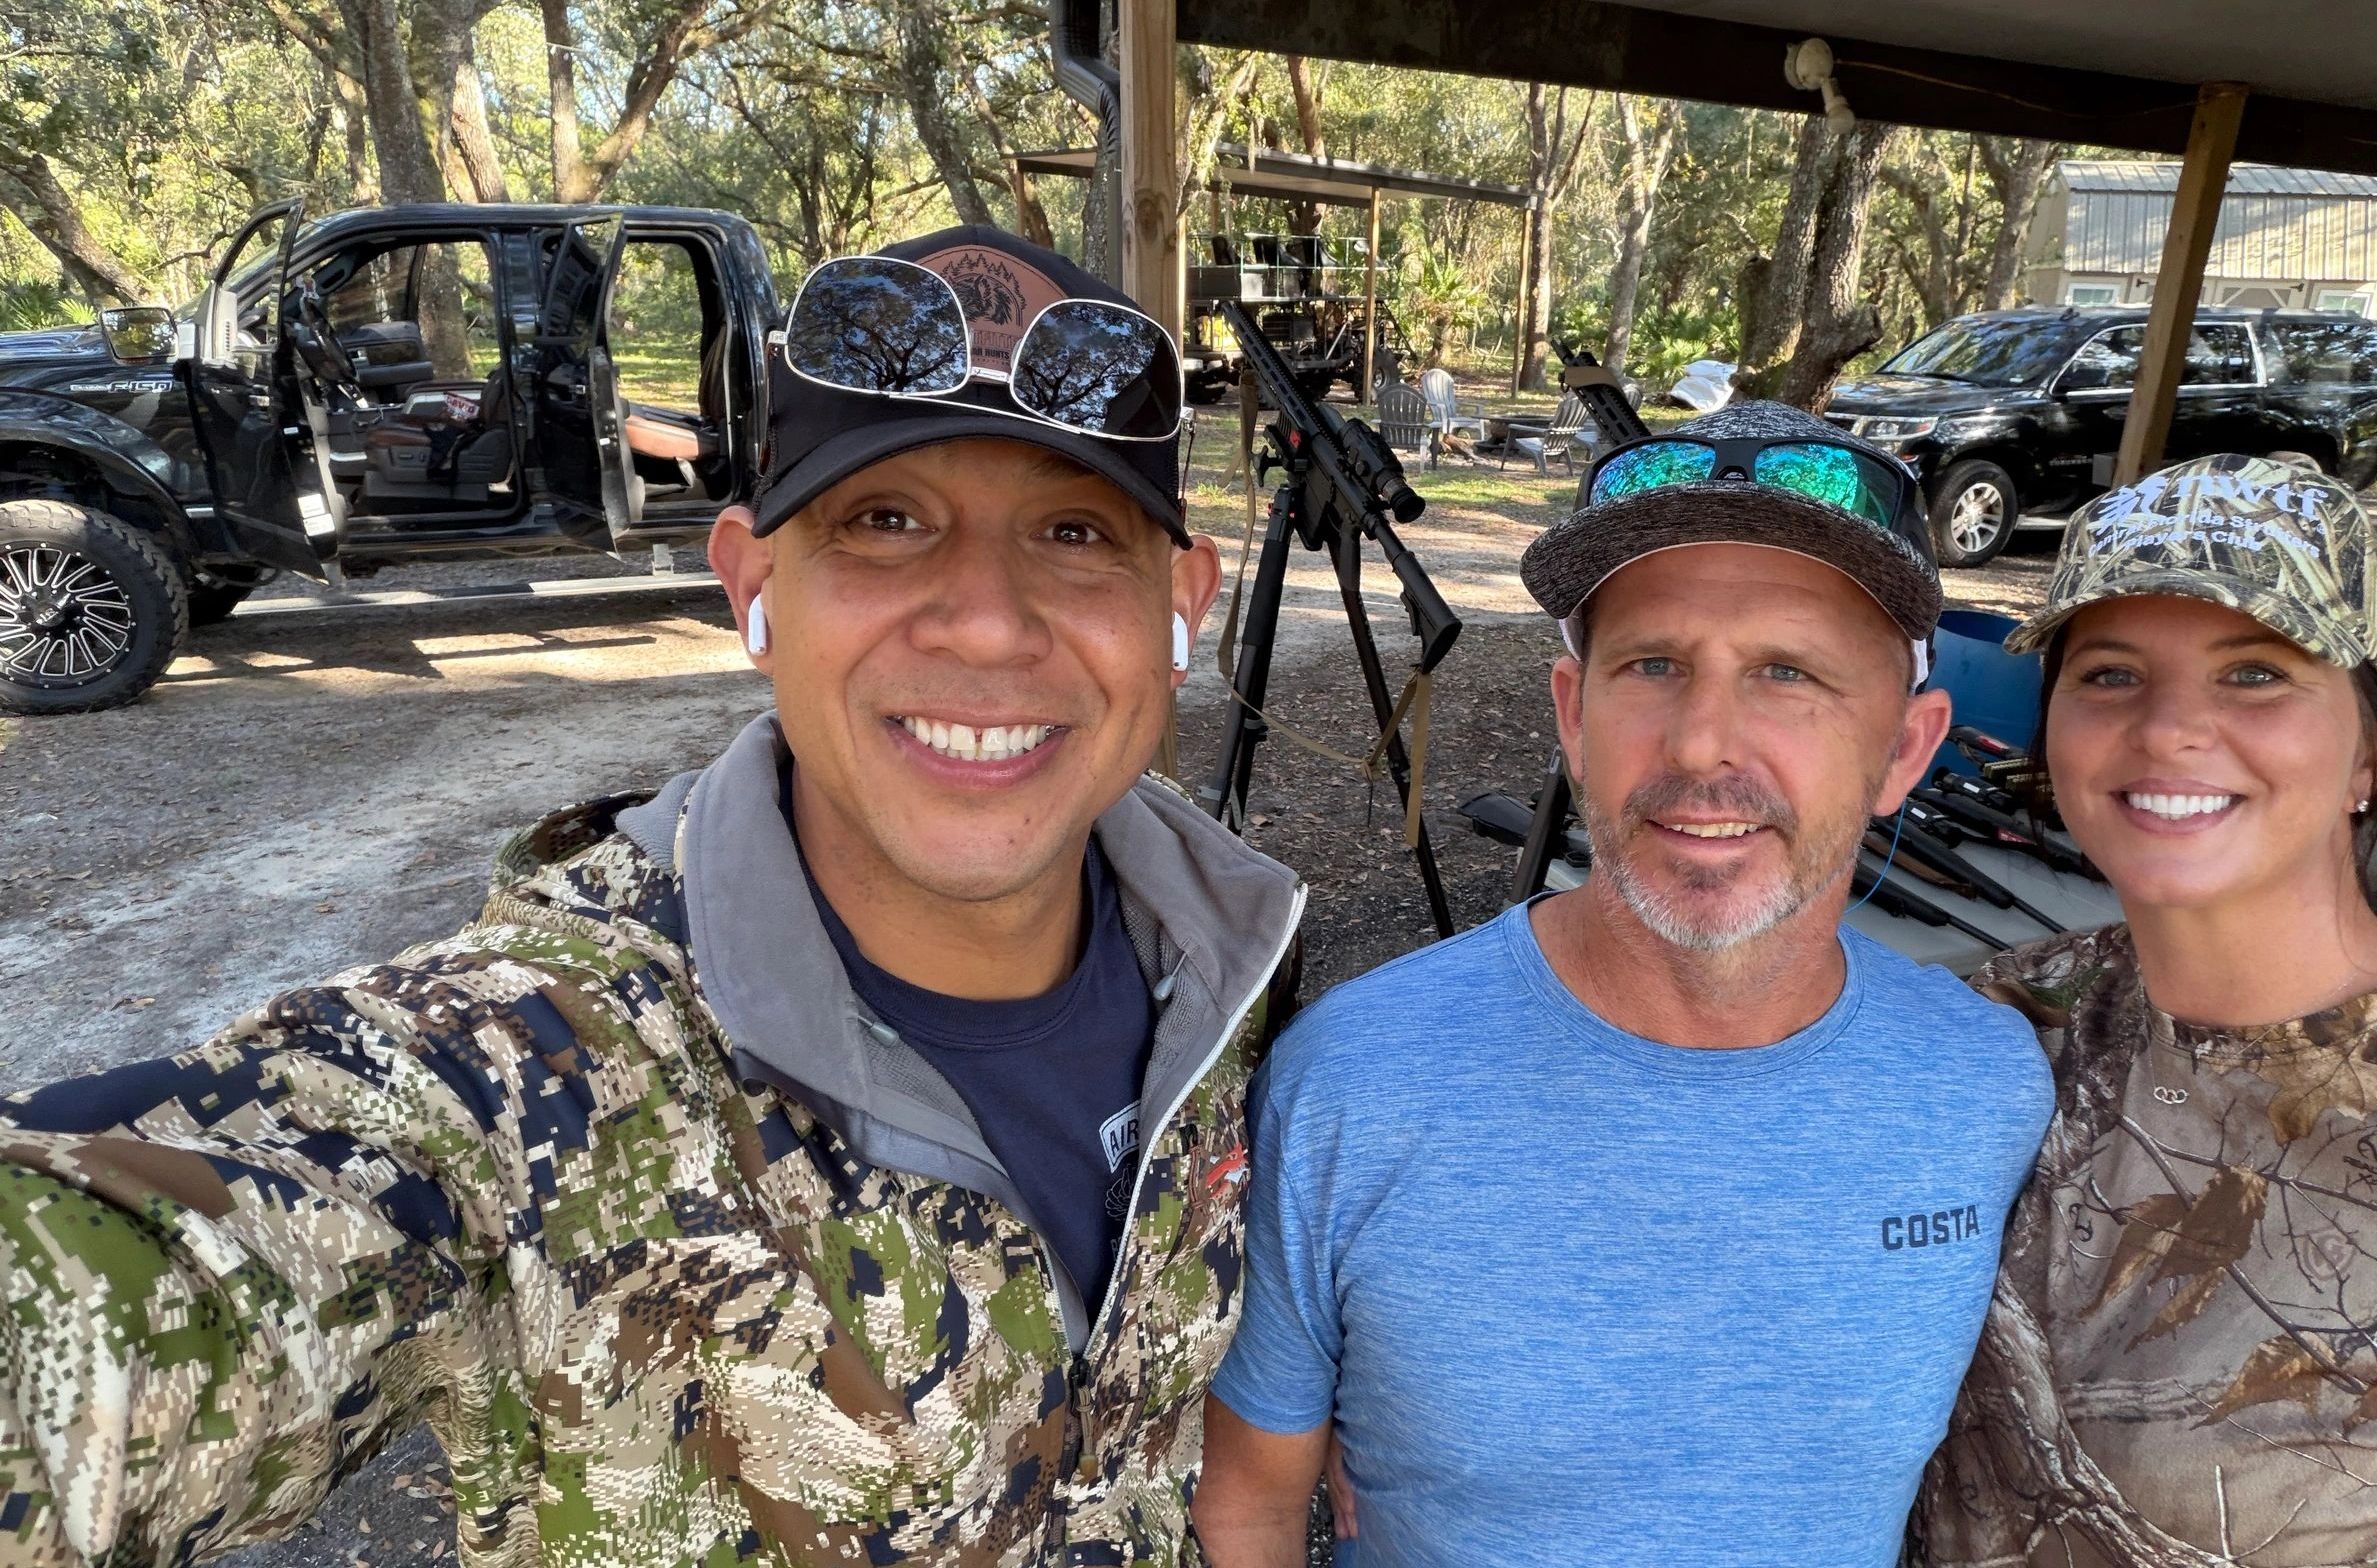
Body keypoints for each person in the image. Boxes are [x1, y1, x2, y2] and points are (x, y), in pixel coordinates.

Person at [0, 226, 1306, 1565]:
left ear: (1179, 607)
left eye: (1075, 531)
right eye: (886, 521)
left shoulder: (1224, 965)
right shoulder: (530, 1067)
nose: (985, 618)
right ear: (754, 588)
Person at [1192, 403, 2057, 1566]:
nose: (1701, 743)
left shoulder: (1989, 1091)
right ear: (1572, 713)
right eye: (1653, 664)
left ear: (1904, 747)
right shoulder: (1352, 1085)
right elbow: (1248, 1501)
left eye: (1787, 672)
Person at [1916, 454, 2377, 1564]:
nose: (2169, 728)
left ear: (2369, 757)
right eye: (2110, 673)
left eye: (2255, 673)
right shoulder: (1985, 1027)